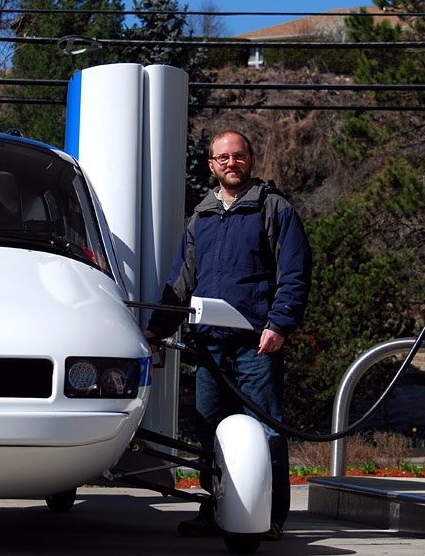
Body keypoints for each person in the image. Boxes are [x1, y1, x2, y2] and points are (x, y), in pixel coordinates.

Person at [145, 129, 312, 541]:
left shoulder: (273, 209)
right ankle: (217, 509)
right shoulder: (200, 216)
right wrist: (154, 332)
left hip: (257, 344)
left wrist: (278, 325)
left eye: (238, 156)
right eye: (223, 158)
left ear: (251, 160)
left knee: (267, 432)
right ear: (211, 166)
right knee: (210, 431)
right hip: (210, 346)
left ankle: (269, 517)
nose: (231, 163)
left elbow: (295, 274)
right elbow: (180, 282)